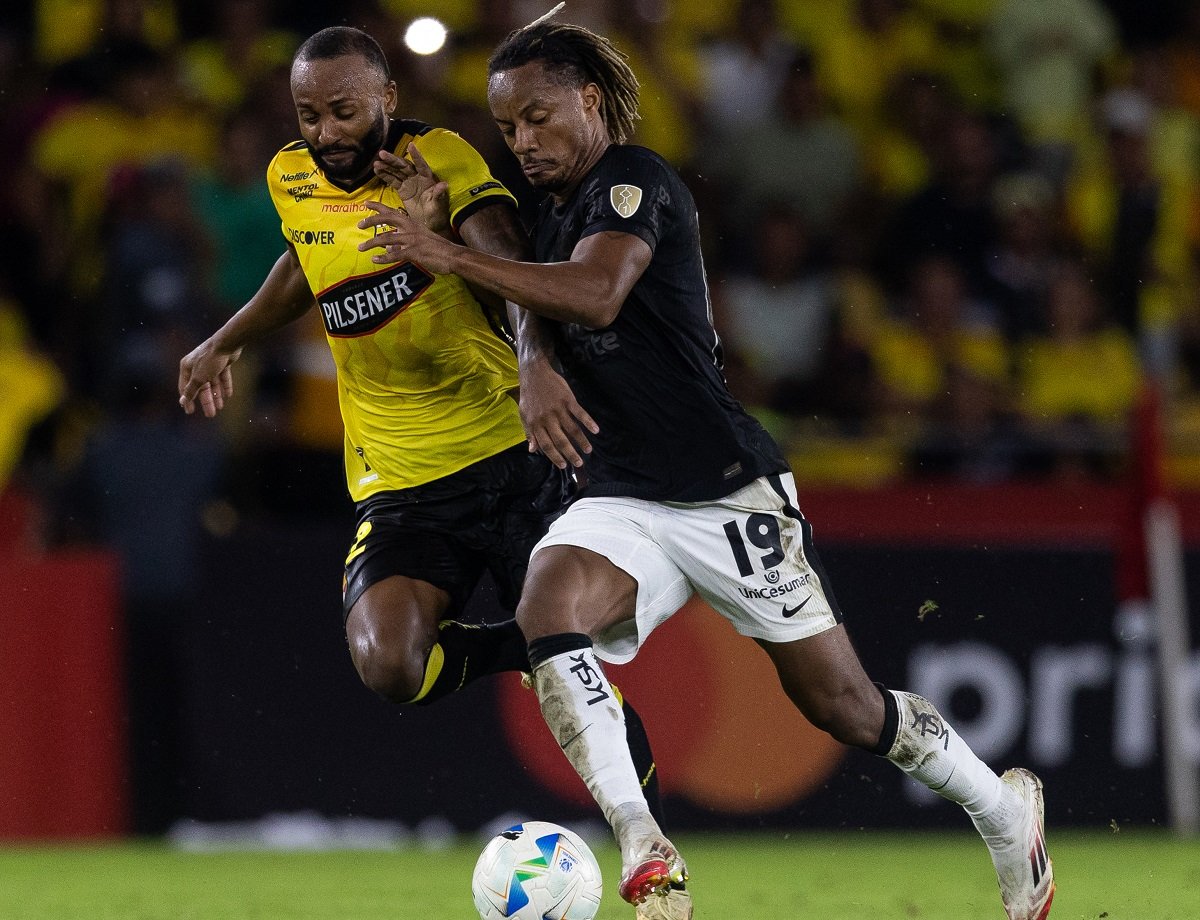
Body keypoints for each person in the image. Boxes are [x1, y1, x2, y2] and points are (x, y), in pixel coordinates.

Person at [357, 12, 1056, 920]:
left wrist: (442, 250)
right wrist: (486, 292)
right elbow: (527, 299)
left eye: (538, 117)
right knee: (545, 605)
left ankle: (1004, 813)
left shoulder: (633, 181)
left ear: (592, 99)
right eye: (509, 128)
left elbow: (597, 296)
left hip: (723, 489)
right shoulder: (548, 211)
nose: (523, 141)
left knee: (844, 706)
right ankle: (647, 855)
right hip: (620, 494)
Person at [175, 29, 677, 917]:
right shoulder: (289, 177)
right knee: (389, 665)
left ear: (385, 99)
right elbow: (306, 259)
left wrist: (532, 366)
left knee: (588, 681)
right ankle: (526, 645)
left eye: (344, 110)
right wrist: (229, 337)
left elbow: (511, 259)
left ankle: (653, 860)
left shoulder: (436, 158)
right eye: (308, 114)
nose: (327, 131)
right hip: (398, 479)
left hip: (510, 455)